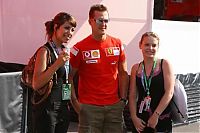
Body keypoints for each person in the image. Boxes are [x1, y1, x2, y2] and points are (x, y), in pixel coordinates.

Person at [70, 4, 129, 133]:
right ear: (90, 21)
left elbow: (124, 74)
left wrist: (123, 99)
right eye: (99, 20)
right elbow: (67, 78)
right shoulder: (78, 48)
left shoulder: (117, 44)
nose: (103, 24)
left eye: (106, 20)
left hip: (114, 107)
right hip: (89, 108)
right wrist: (73, 102)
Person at [31, 12, 77, 133]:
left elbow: (66, 79)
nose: (70, 33)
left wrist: (70, 102)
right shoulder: (44, 51)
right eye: (66, 28)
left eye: (72, 29)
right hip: (47, 109)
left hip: (63, 108)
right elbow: (36, 83)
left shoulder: (64, 50)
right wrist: (57, 65)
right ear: (56, 27)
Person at [129, 32, 175, 133]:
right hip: (141, 120)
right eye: (146, 44)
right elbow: (132, 95)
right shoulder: (135, 68)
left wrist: (156, 115)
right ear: (140, 45)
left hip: (161, 118)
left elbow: (169, 92)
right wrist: (134, 117)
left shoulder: (164, 64)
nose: (150, 48)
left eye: (154, 45)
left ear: (158, 47)